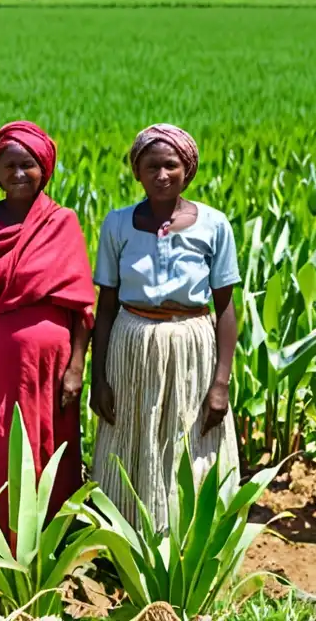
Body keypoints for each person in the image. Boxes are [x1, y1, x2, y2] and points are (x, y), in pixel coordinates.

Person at [89, 124, 240, 529]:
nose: (161, 175)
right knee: (130, 434)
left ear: (187, 171)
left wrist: (221, 382)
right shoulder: (118, 225)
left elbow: (225, 308)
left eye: (171, 166)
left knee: (189, 439)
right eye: (151, 166)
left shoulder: (213, 225)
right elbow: (104, 306)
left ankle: (188, 535)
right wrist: (98, 377)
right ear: (136, 172)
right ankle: (125, 534)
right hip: (132, 339)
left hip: (192, 343)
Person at [0, 121, 94, 530]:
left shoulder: (62, 221)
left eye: (27, 165)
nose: (18, 173)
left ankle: (52, 533)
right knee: (1, 436)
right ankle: (0, 531)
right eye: (9, 165)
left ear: (44, 169)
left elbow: (83, 307)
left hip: (52, 362)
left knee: (50, 437)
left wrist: (77, 366)